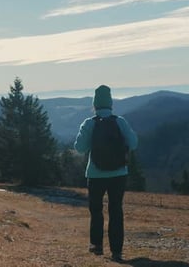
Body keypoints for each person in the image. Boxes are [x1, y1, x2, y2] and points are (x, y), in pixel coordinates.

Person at [74, 85, 138, 262]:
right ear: (110, 104)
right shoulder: (120, 122)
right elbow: (134, 144)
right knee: (116, 209)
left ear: (95, 105)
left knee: (96, 210)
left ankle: (96, 245)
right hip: (119, 173)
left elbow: (79, 148)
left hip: (95, 173)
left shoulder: (89, 123)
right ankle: (116, 250)